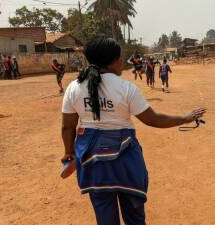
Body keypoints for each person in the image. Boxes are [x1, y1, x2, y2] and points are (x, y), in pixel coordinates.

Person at [61, 37, 205, 225]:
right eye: (120, 58)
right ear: (114, 61)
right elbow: (152, 120)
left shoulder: (74, 87)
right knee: (135, 216)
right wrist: (185, 117)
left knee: (104, 218)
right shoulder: (126, 88)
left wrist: (68, 152)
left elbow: (67, 127)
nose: (122, 62)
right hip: (125, 161)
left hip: (92, 163)